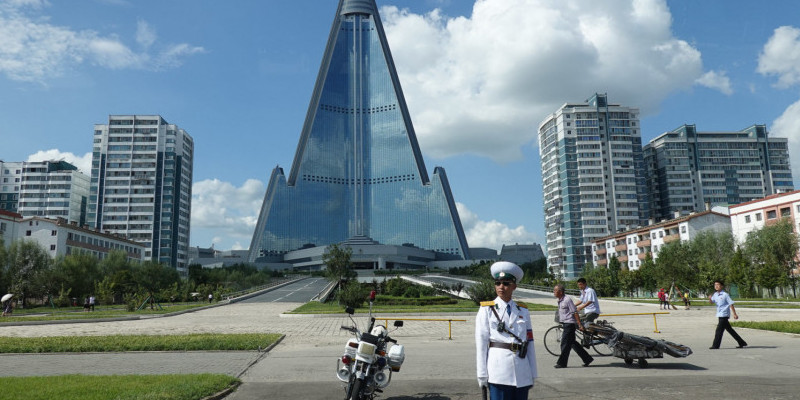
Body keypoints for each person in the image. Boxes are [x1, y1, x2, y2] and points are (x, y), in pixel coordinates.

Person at [476, 261, 538, 399]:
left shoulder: (523, 310)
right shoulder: (487, 309)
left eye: (506, 283)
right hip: (499, 371)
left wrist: (532, 372)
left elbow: (530, 342)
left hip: (522, 370)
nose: (501, 287)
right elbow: (481, 343)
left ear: (514, 286)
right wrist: (482, 374)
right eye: (498, 283)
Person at [553, 284, 594, 369]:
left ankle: (562, 363)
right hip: (566, 323)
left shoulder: (567, 300)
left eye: (555, 290)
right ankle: (587, 359)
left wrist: (579, 325)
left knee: (564, 344)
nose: (554, 292)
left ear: (560, 292)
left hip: (570, 324)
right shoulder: (560, 300)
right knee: (573, 344)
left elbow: (575, 312)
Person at [709, 280, 747, 349]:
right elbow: (711, 302)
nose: (716, 286)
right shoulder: (715, 294)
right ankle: (741, 342)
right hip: (719, 314)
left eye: (718, 284)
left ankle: (715, 345)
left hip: (724, 315)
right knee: (730, 330)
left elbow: (731, 304)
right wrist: (710, 299)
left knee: (719, 330)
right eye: (715, 285)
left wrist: (734, 314)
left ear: (722, 286)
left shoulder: (725, 295)